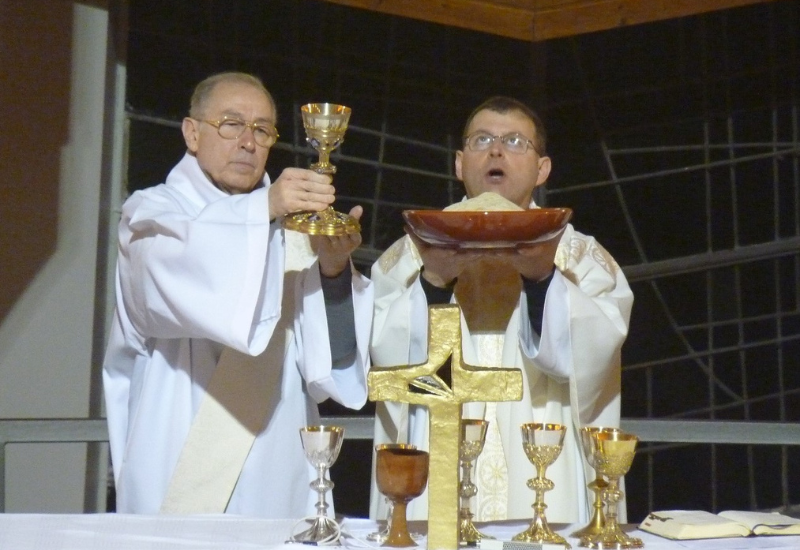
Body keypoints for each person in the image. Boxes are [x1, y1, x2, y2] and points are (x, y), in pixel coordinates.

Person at [103, 72, 373, 518]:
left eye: (263, 129)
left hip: (274, 452)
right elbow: (173, 279)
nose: (249, 141)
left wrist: (332, 268)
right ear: (192, 133)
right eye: (232, 124)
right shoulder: (151, 213)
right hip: (178, 444)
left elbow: (324, 366)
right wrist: (264, 210)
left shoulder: (291, 225)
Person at [369, 96, 633, 524]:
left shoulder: (578, 254)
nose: (496, 151)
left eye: (514, 141)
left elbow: (594, 355)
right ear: (458, 163)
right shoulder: (415, 248)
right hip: (436, 455)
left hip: (546, 463)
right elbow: (387, 360)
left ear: (542, 168)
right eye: (482, 140)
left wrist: (543, 278)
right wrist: (433, 281)